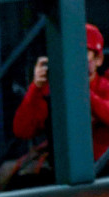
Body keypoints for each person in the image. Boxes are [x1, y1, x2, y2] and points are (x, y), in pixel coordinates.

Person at [10, 22, 109, 185]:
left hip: (103, 176)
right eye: (70, 50)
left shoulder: (105, 85)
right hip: (64, 178)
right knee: (20, 185)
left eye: (82, 51)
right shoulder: (53, 90)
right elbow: (22, 130)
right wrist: (36, 88)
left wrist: (79, 88)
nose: (74, 57)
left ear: (98, 59)